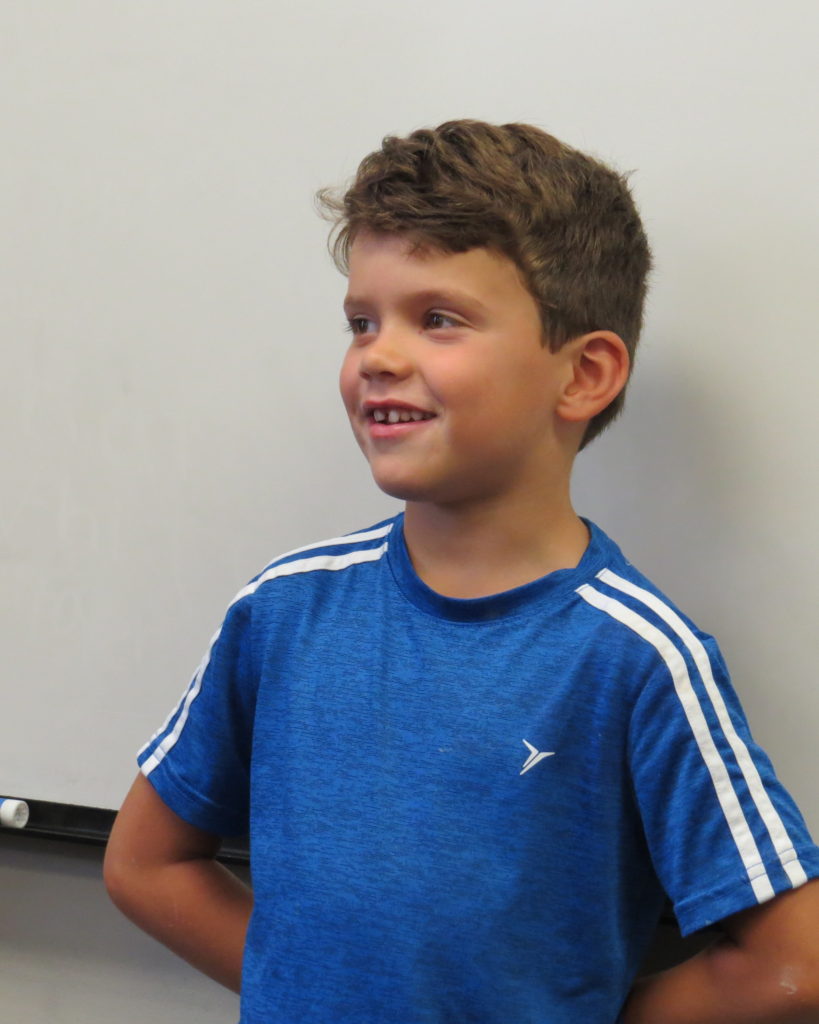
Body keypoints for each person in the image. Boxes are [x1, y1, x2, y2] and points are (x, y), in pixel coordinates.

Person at [104, 120, 819, 1023]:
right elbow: (144, 863)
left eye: (437, 319)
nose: (379, 356)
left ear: (582, 375)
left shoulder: (637, 657)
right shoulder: (283, 611)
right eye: (361, 321)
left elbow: (793, 963)